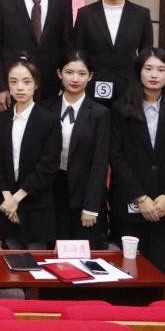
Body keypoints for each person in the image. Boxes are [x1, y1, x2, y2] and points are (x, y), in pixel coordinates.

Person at [109, 48, 165, 278]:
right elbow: (116, 157)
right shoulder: (120, 110)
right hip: (130, 206)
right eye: (148, 68)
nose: (154, 74)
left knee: (161, 274)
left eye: (161, 69)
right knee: (129, 275)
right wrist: (140, 198)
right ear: (138, 72)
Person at [0, 56, 62, 249]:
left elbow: (48, 166)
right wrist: (8, 199)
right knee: (10, 261)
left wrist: (17, 198)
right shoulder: (2, 120)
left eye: (26, 82)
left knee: (36, 261)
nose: (20, 88)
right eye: (14, 82)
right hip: (7, 206)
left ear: (36, 84)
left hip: (35, 203)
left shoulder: (48, 120)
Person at [74, 0, 154, 107]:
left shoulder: (141, 15)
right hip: (92, 90)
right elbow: (78, 54)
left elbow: (146, 55)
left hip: (129, 90)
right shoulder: (85, 14)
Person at [49, 50, 110, 248]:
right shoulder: (46, 109)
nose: (75, 79)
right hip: (53, 190)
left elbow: (100, 163)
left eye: (82, 73)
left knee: (83, 252)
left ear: (90, 76)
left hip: (85, 192)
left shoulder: (100, 113)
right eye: (69, 72)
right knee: (54, 253)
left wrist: (91, 206)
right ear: (59, 73)